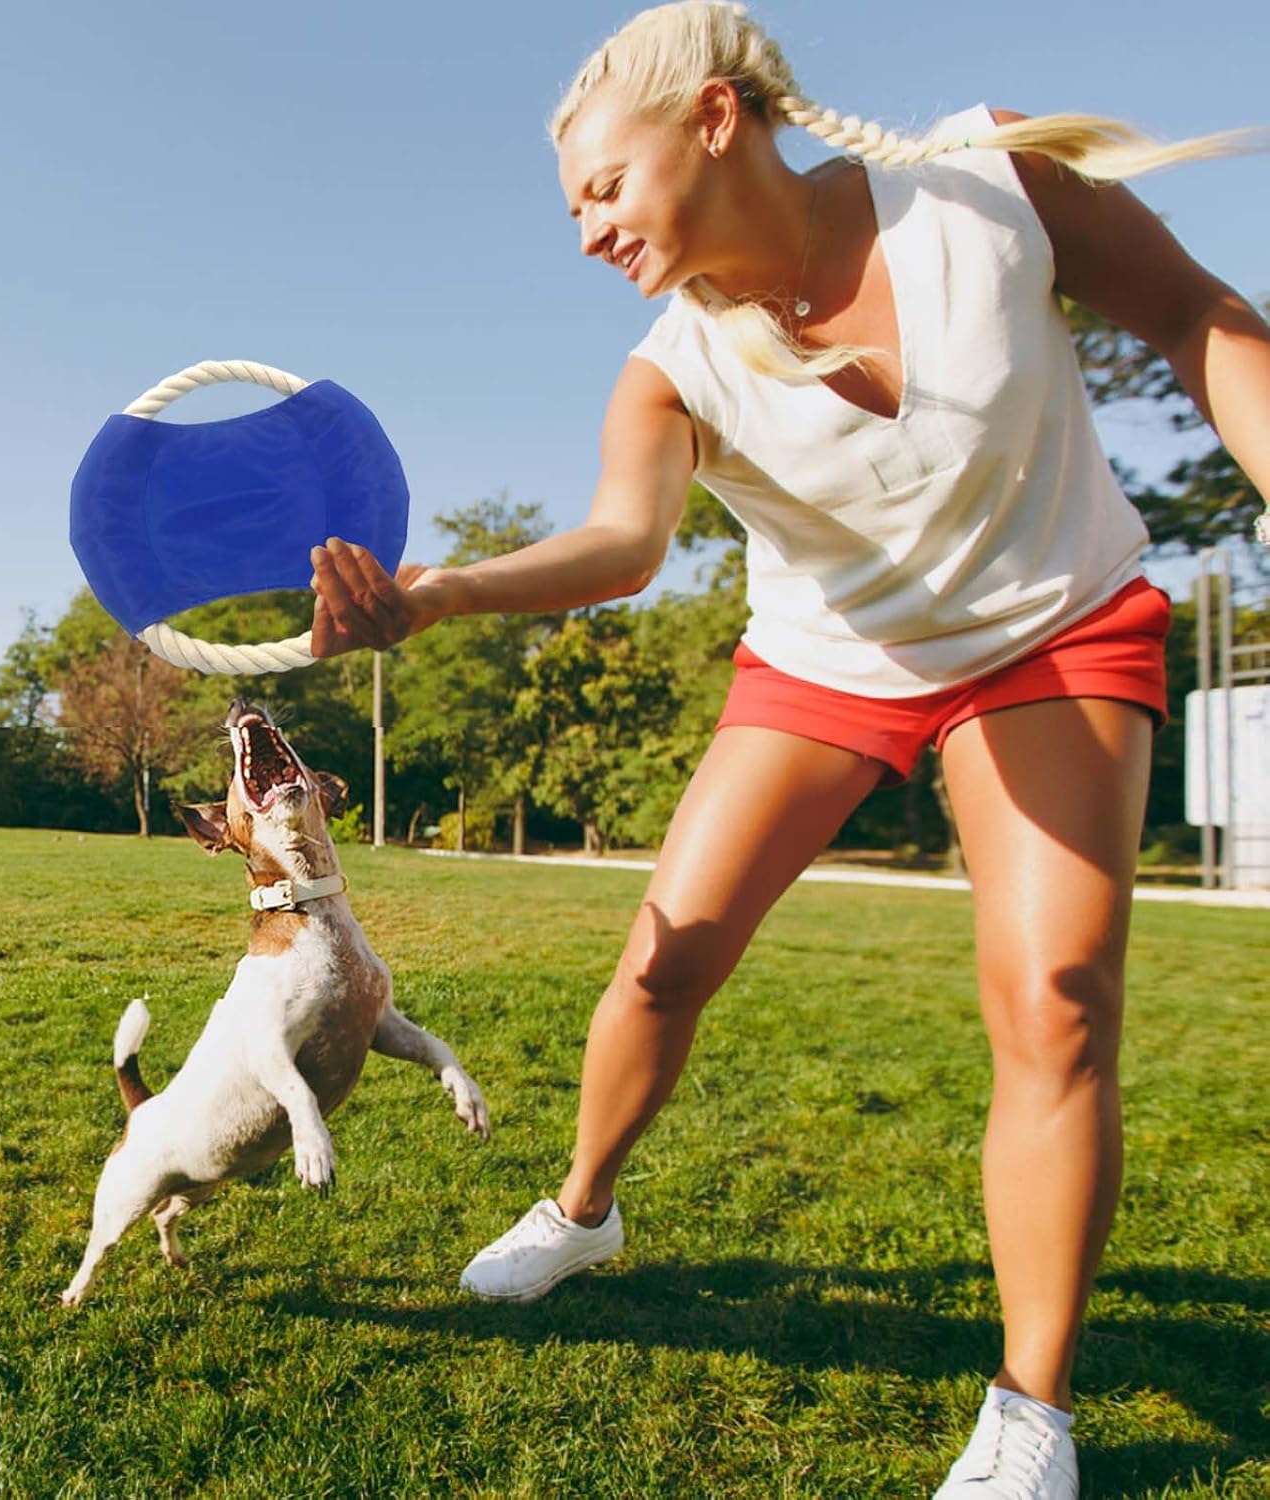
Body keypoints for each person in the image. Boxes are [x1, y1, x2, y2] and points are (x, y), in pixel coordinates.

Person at [305, 5, 1270, 1495]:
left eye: (602, 189)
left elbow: (1201, 318)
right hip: (827, 664)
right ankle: (582, 1207)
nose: (585, 235)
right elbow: (626, 545)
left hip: (1055, 628)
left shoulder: (987, 191)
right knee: (663, 960)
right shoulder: (670, 367)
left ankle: (1032, 1411)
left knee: (1060, 999)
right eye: (573, 211)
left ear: (713, 119)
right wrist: (434, 596)